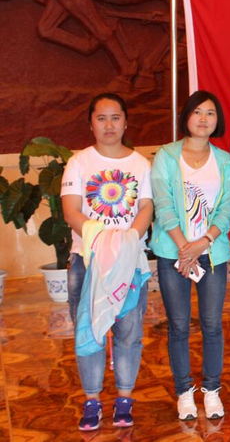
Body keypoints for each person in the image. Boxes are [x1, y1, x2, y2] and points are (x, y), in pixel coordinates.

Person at [62, 93, 153, 431]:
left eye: (115, 117)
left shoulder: (140, 164)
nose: (109, 125)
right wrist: (101, 240)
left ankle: (124, 399)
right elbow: (71, 210)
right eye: (101, 118)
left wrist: (127, 242)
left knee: (128, 331)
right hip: (87, 260)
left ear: (126, 122)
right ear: (91, 124)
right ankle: (91, 401)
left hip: (129, 262)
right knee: (89, 331)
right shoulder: (78, 163)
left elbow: (146, 207)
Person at [150, 91, 230, 421]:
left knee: (212, 325)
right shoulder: (166, 156)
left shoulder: (224, 160)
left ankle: (211, 390)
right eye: (197, 112)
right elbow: (163, 204)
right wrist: (184, 248)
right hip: (173, 254)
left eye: (210, 113)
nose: (203, 119)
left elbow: (227, 207)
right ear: (186, 116)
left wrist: (203, 242)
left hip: (211, 254)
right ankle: (184, 393)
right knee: (179, 325)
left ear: (217, 120)